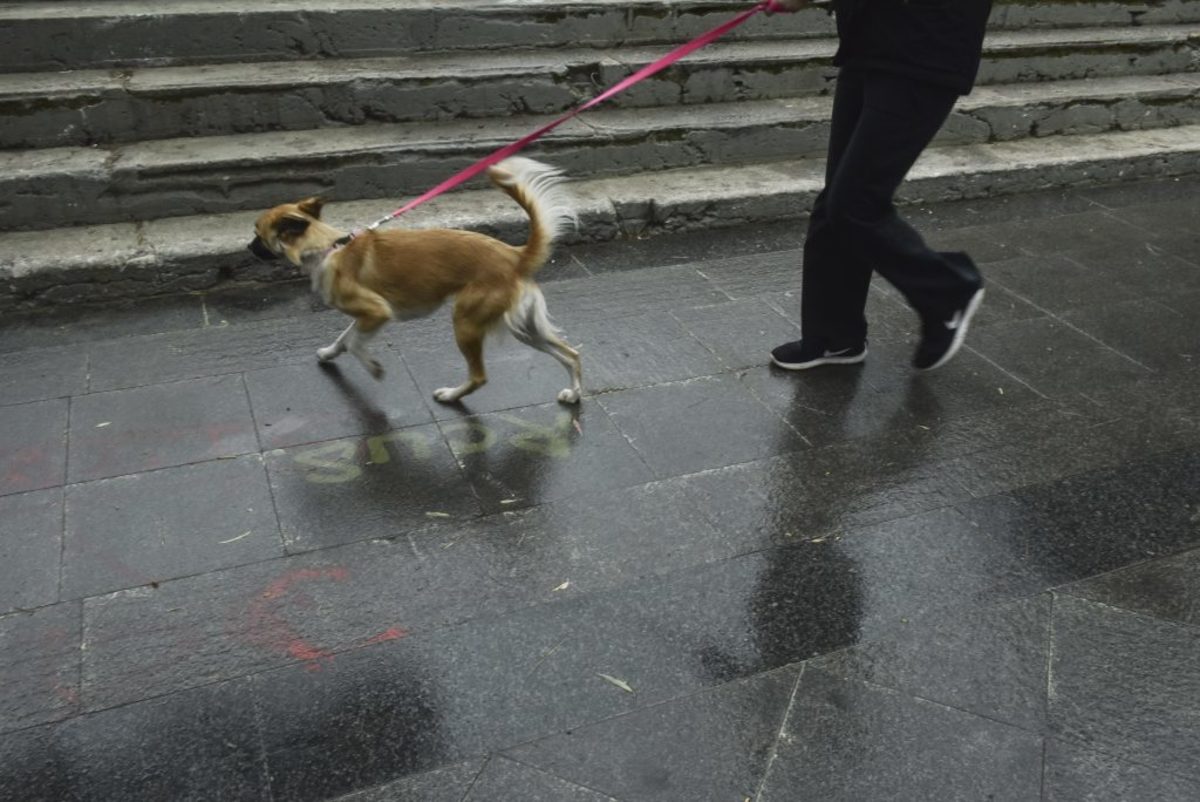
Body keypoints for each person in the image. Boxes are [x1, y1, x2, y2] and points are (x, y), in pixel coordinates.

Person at [765, 0, 995, 372]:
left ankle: (948, 289)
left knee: (855, 202)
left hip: (924, 49)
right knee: (835, 203)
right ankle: (835, 337)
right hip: (871, 43)